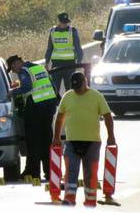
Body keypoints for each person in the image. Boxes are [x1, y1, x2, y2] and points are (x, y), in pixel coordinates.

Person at [52, 72, 116, 207]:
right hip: (71, 141)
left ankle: (90, 199)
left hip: (92, 142)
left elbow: (107, 117)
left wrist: (111, 136)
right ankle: (69, 198)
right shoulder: (68, 96)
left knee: (90, 173)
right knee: (71, 171)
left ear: (85, 82)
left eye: (79, 87)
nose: (77, 91)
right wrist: (56, 137)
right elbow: (60, 118)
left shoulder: (96, 96)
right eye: (75, 88)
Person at [6, 55, 58, 180]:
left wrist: (12, 92)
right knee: (46, 141)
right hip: (49, 107)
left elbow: (28, 86)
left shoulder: (24, 70)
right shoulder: (38, 68)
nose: (14, 71)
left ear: (18, 62)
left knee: (33, 141)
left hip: (35, 108)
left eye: (13, 67)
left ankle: (33, 172)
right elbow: (52, 86)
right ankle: (49, 172)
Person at [45, 12, 83, 93]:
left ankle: (69, 104)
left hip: (70, 64)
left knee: (70, 88)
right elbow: (49, 48)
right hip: (56, 64)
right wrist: (46, 62)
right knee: (55, 89)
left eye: (66, 22)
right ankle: (56, 105)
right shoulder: (52, 31)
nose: (65, 24)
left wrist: (79, 61)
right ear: (59, 21)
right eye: (63, 22)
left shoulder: (72, 31)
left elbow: (78, 47)